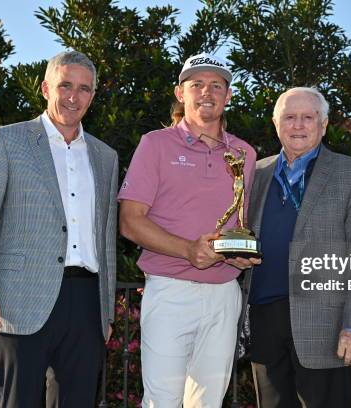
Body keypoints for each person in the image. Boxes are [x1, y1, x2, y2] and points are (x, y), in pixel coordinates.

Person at [0, 50, 118, 407]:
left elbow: (106, 238)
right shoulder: (7, 141)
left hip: (87, 304)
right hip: (20, 298)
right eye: (65, 85)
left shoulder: (105, 156)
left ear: (92, 96)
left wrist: (105, 311)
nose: (73, 96)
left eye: (84, 89)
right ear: (46, 88)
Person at [118, 52, 260, 407]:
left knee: (208, 402)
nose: (206, 92)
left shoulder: (245, 153)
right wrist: (188, 250)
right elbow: (130, 221)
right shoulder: (155, 144)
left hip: (226, 292)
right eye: (196, 84)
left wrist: (239, 254)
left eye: (216, 85)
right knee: (162, 400)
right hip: (170, 291)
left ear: (228, 96)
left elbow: (240, 223)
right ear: (181, 94)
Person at [240, 87, 351, 408]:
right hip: (263, 317)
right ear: (276, 124)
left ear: (324, 124)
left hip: (325, 323)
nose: (298, 125)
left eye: (307, 117)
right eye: (289, 117)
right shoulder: (255, 173)